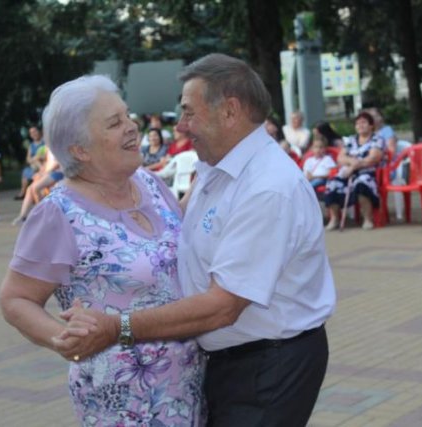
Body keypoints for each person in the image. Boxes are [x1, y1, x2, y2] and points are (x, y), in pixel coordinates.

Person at [52, 53, 336, 427]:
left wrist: (115, 326)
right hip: (232, 361)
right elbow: (174, 232)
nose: (182, 126)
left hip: (268, 366)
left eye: (189, 112)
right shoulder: (216, 167)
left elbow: (223, 306)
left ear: (230, 111)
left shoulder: (267, 189)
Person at [0, 75, 206, 426]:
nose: (131, 127)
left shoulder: (151, 184)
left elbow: (170, 246)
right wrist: (61, 339)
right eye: (114, 123)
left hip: (192, 387)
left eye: (127, 116)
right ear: (80, 149)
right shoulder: (58, 214)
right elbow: (14, 299)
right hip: (122, 402)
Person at [324, 111, 384, 230]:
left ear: (371, 125)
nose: (360, 126)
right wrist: (353, 164)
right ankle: (335, 218)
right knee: (332, 183)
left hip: (367, 172)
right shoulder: (351, 140)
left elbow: (373, 158)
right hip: (347, 173)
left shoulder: (377, 139)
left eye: (363, 123)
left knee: (362, 183)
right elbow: (340, 158)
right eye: (357, 123)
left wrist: (352, 166)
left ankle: (367, 218)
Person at [15, 126, 46, 200]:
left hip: (43, 164)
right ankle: (23, 192)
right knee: (26, 171)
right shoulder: (31, 145)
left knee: (37, 163)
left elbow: (46, 155)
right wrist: (34, 159)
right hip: (34, 165)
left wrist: (38, 158)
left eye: (35, 131)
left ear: (39, 132)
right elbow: (28, 158)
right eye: (31, 133)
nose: (33, 134)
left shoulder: (44, 143)